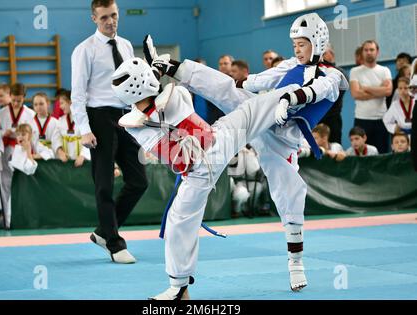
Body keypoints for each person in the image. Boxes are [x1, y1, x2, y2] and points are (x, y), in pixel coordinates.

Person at [119, 12, 347, 299]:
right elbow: (257, 81)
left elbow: (317, 90)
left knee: (289, 197)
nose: (297, 49)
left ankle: (296, 263)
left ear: (318, 42)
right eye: (295, 44)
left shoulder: (333, 75)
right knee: (230, 90)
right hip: (262, 118)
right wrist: (244, 84)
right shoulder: (289, 65)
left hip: (283, 139)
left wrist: (289, 99)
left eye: (302, 44)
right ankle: (173, 68)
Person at [71, 0, 148, 263]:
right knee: (104, 184)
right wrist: (84, 130)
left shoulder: (126, 45)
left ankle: (105, 230)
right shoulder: (84, 50)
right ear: (94, 18)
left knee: (140, 181)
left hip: (126, 116)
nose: (110, 21)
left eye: (114, 15)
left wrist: (142, 118)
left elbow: (133, 87)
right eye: (104, 17)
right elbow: (77, 95)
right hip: (98, 117)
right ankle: (114, 244)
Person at [0, 83, 36, 229]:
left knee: (22, 187)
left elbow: (34, 135)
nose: (16, 103)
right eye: (14, 99)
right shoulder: (0, 113)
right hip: (5, 152)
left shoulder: (30, 114)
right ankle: (7, 222)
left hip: (23, 152)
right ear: (10, 96)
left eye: (19, 100)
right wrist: (2, 136)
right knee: (5, 186)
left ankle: (21, 219)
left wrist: (32, 151)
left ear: (24, 98)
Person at [350, 40, 393, 154]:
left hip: (381, 119)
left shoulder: (385, 70)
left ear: (377, 52)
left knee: (382, 154)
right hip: (362, 119)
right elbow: (355, 94)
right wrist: (380, 89)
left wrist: (365, 88)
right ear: (362, 52)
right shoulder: (355, 71)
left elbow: (388, 91)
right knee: (360, 154)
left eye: (372, 50)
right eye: (366, 50)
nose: (369, 52)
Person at [319, 43, 347, 144]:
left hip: (332, 119)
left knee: (334, 149)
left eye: (324, 53)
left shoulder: (340, 72)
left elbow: (333, 97)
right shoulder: (314, 72)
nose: (321, 56)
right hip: (316, 118)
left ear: (332, 54)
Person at [56, 90, 90, 166]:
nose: (60, 106)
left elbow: (89, 139)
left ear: (71, 102)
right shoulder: (60, 121)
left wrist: (83, 155)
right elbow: (56, 138)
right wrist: (59, 151)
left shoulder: (84, 119)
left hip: (82, 161)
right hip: (66, 161)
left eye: (62, 103)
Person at [30, 93, 63, 157]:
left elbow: (57, 142)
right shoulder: (30, 123)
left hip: (52, 158)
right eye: (35, 104)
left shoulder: (56, 122)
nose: (38, 107)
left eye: (41, 104)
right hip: (36, 157)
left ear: (48, 103)